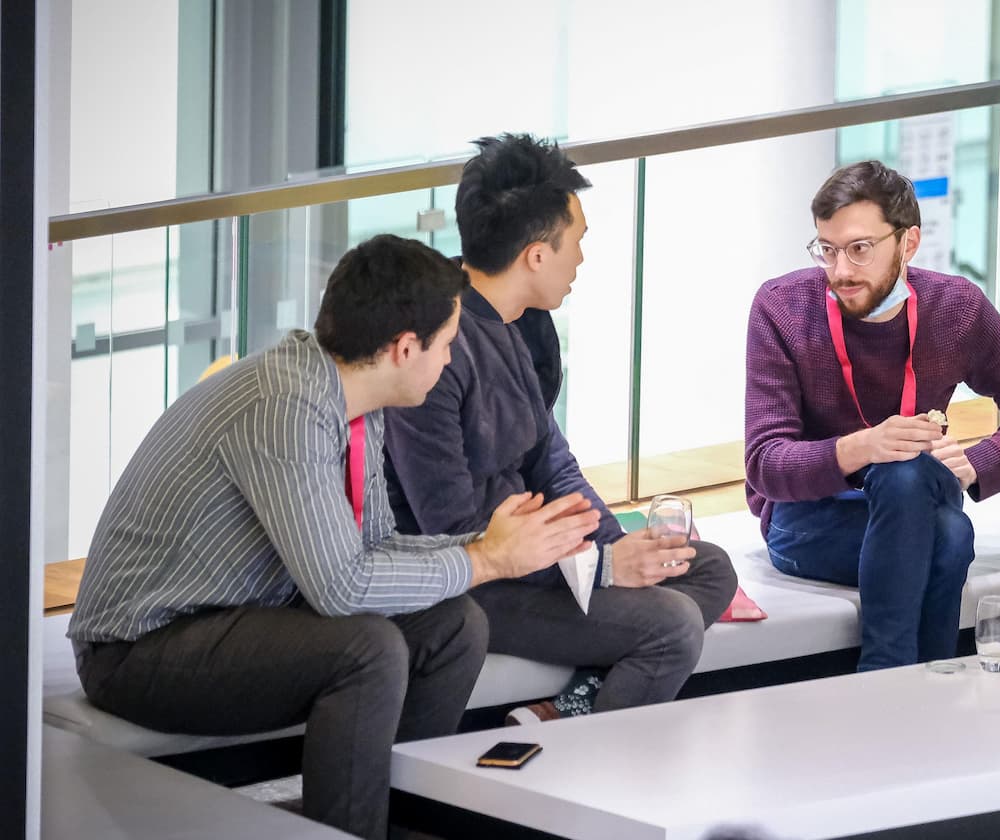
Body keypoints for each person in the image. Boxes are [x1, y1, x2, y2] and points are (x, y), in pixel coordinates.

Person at [68, 234, 601, 839]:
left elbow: (370, 549)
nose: (451, 361)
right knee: (367, 648)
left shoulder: (353, 398)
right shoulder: (286, 406)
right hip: (142, 647)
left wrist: (485, 545)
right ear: (405, 348)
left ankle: (407, 824)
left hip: (246, 616)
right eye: (448, 345)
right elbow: (342, 588)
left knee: (455, 625)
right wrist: (487, 560)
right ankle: (346, 830)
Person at [383, 133, 738, 722]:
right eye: (577, 242)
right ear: (537, 255)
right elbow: (453, 531)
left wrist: (612, 543)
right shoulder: (433, 348)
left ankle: (568, 709)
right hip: (474, 579)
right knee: (671, 626)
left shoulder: (518, 323)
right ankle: (581, 779)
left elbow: (553, 459)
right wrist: (599, 568)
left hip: (537, 556)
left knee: (706, 566)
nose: (581, 258)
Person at [744, 160, 1000, 671]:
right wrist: (862, 447)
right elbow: (765, 463)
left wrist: (975, 464)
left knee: (908, 475)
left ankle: (887, 676)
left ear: (908, 242)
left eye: (859, 249)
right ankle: (915, 678)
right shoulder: (783, 307)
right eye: (826, 250)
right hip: (812, 521)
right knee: (949, 532)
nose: (841, 271)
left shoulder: (955, 307)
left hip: (918, 498)